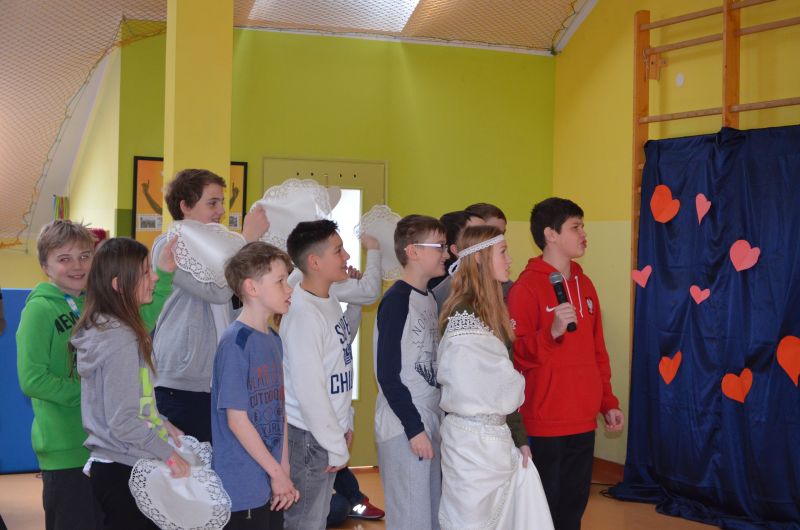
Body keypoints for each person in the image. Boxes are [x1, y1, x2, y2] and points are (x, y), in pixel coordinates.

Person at [16, 220, 175, 530]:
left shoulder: (95, 302)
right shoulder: (39, 310)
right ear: (45, 266)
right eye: (64, 259)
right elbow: (32, 379)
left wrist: (165, 275)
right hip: (66, 448)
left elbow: (139, 322)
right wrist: (95, 390)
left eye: (85, 256)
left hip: (107, 447)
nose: (77, 266)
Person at [507, 198, 624, 530]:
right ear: (551, 234)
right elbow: (516, 355)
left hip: (583, 420)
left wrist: (607, 402)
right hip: (544, 422)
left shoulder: (585, 285)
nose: (584, 234)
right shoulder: (526, 288)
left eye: (582, 226)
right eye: (576, 227)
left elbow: (598, 351)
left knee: (573, 510)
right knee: (543, 511)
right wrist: (551, 333)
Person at [437, 225, 553, 529]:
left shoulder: (495, 311)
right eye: (503, 252)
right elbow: (486, 385)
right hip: (470, 443)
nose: (510, 260)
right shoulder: (462, 313)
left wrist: (519, 437)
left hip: (497, 441)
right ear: (479, 258)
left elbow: (503, 383)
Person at [72, 238, 190, 530]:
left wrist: (159, 420)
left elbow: (128, 399)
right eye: (146, 272)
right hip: (122, 468)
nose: (154, 278)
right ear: (119, 285)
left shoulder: (111, 328)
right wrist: (168, 454)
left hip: (119, 464)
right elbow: (123, 420)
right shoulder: (119, 338)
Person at [151, 168, 268, 442]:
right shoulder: (168, 245)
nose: (221, 211)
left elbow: (234, 303)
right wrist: (246, 241)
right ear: (185, 207)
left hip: (218, 377)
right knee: (190, 462)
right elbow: (215, 291)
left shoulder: (222, 246)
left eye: (222, 203)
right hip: (182, 379)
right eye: (212, 203)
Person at [211, 242, 300, 529]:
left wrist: (283, 468)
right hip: (243, 484)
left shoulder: (273, 339)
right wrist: (276, 473)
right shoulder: (235, 343)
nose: (289, 289)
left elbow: (279, 409)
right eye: (280, 281)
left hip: (270, 476)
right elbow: (237, 420)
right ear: (252, 287)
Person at [280, 220, 355, 530]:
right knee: (305, 522)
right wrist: (334, 444)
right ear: (314, 262)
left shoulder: (328, 299)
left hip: (325, 434)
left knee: (317, 518)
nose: (346, 256)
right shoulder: (303, 315)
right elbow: (309, 390)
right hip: (309, 438)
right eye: (338, 251)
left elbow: (338, 366)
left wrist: (345, 421)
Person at [374, 214, 447, 530]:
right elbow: (387, 374)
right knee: (410, 519)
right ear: (413, 251)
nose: (446, 253)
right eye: (439, 246)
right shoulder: (396, 301)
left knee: (429, 517)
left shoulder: (428, 298)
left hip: (427, 420)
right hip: (404, 425)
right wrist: (414, 429)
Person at [431, 211, 484, 310]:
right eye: (478, 235)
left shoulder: (486, 279)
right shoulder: (447, 290)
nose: (489, 239)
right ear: (456, 250)